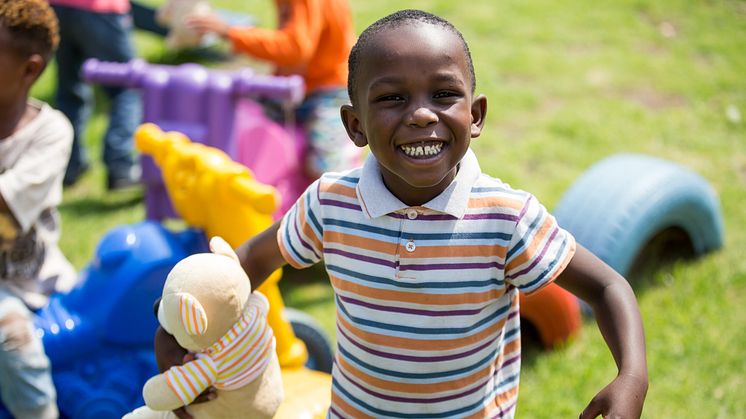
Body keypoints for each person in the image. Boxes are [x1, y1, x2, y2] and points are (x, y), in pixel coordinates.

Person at [160, 9, 649, 418]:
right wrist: (181, 332)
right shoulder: (330, 203)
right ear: (355, 125)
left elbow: (608, 287)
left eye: (443, 94)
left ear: (475, 116)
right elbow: (248, 262)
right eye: (392, 98)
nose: (420, 114)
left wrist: (631, 377)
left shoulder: (505, 217)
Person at [0, 1, 79, 417]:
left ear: (29, 70)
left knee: (10, 337)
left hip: (28, 282)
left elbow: (4, 210)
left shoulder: (50, 133)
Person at [186, 0, 361, 179]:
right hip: (297, 86)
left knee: (326, 166)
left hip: (330, 91)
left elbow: (295, 48)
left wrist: (230, 33)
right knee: (236, 106)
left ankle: (348, 197)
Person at [49, 0, 142, 190]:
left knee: (69, 92)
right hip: (101, 8)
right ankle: (120, 165)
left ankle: (68, 164)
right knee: (129, 86)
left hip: (57, 8)